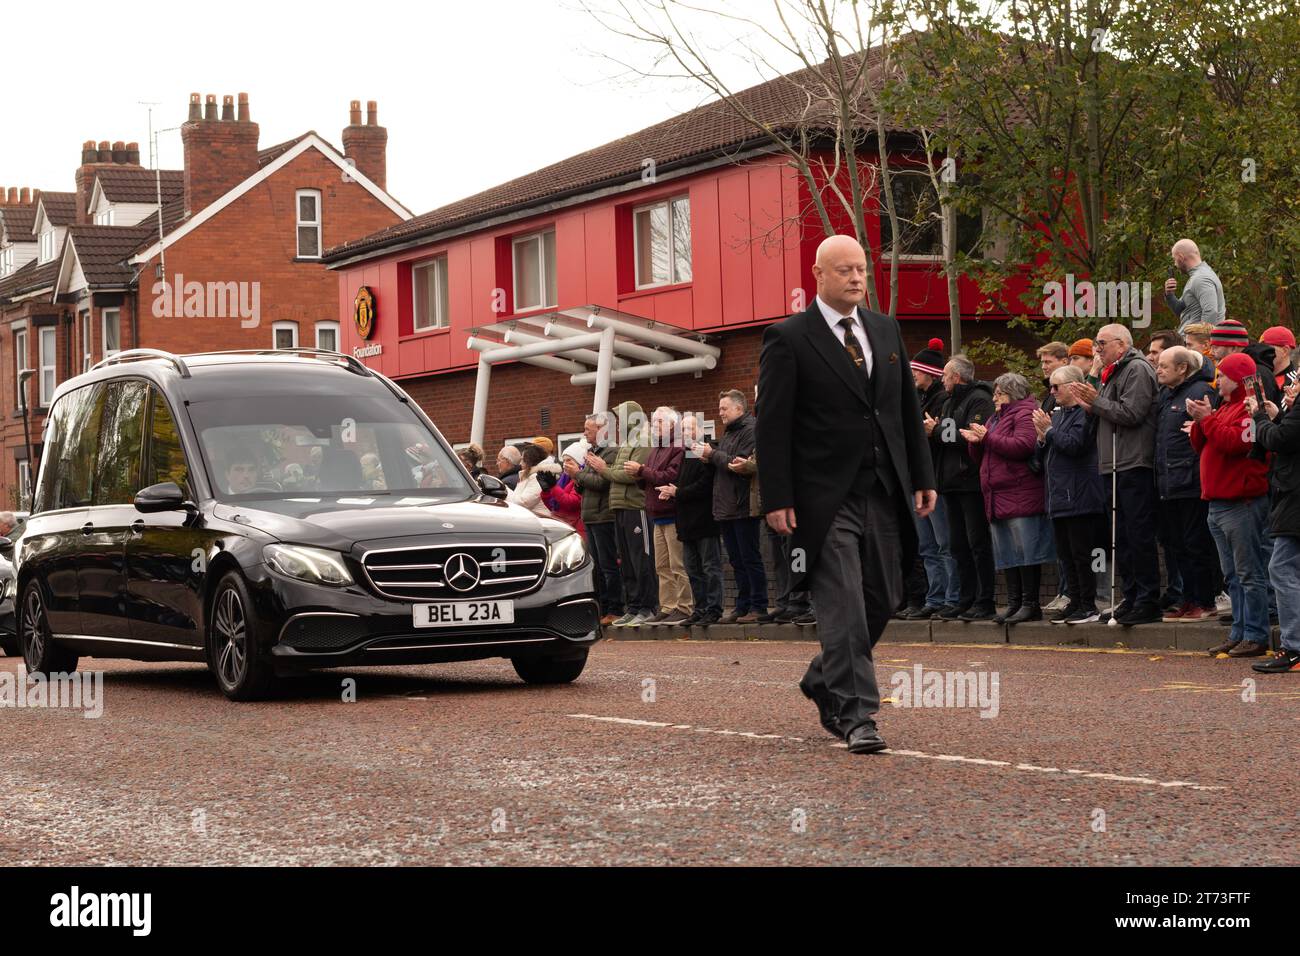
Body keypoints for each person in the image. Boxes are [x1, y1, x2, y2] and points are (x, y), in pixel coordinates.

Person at [757, 234, 936, 755]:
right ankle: (857, 714)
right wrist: (777, 496)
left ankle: (822, 677)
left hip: (882, 489)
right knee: (844, 605)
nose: (857, 278)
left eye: (861, 270)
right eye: (845, 271)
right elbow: (773, 426)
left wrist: (922, 477)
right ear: (818, 274)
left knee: (886, 596)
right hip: (821, 498)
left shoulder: (885, 329)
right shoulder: (788, 337)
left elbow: (904, 411)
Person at [1063, 324, 1160, 625]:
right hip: (1113, 464)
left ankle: (1147, 599)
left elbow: (1132, 413)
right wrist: (1091, 407)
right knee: (1122, 538)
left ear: (1121, 344)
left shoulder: (1137, 370)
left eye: (1101, 343)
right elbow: (1109, 411)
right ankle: (1131, 597)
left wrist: (1096, 402)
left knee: (1138, 534)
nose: (1097, 349)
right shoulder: (1113, 371)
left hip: (1132, 462)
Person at [1187, 352, 1272, 657]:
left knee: (1249, 574)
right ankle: (1239, 631)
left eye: (1222, 374)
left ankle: (1256, 634)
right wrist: (1202, 421)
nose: (1217, 379)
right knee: (1233, 576)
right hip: (1219, 503)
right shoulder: (1224, 407)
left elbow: (1237, 444)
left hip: (1242, 503)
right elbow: (1203, 445)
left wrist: (1206, 420)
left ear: (1237, 378)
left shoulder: (1250, 408)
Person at [962, 373, 1052, 624]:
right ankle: (1014, 603)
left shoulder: (1025, 413)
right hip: (998, 494)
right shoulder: (995, 417)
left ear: (1012, 393)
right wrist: (976, 442)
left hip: (1020, 491)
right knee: (1007, 552)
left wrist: (987, 437)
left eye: (998, 393)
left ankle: (1030, 604)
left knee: (1026, 551)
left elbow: (1023, 445)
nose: (994, 398)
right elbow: (983, 457)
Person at [1033, 365, 1106, 623]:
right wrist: (1042, 438)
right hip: (1058, 496)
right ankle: (1074, 600)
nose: (1051, 392)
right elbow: (1041, 458)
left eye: (1056, 387)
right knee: (1065, 555)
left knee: (1080, 554)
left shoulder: (1084, 414)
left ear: (1074, 386)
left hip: (1079, 495)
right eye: (1049, 387)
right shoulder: (1059, 413)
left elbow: (1075, 445)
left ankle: (1088, 603)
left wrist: (1050, 431)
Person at [1152, 346, 1219, 622]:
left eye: (1165, 366)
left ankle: (1204, 601)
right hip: (1168, 483)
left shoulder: (1200, 391)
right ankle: (1187, 600)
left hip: (1190, 482)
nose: (1158, 369)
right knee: (1177, 545)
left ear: (1182, 368)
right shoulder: (1167, 395)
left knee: (1195, 544)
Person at [932, 355, 997, 620]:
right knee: (957, 545)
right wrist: (938, 430)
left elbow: (968, 438)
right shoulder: (948, 402)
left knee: (977, 543)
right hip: (949, 483)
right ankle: (965, 598)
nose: (942, 380)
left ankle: (985, 600)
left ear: (957, 376)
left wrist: (935, 431)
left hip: (970, 482)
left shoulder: (980, 399)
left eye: (945, 375)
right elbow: (949, 435)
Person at [697, 389, 767, 624]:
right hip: (725, 506)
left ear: (739, 408)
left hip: (743, 505)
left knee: (750, 558)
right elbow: (723, 463)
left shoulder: (750, 430)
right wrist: (709, 458)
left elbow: (739, 464)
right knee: (736, 561)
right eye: (719, 409)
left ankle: (759, 606)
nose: (720, 413)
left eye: (724, 408)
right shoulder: (728, 433)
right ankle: (742, 605)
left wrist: (713, 454)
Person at [1246, 379, 1300, 672]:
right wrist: (1280, 417)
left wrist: (1259, 418)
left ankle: (1294, 648)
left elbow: (1280, 441)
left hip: (1295, 497)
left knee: (1281, 567)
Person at [906, 337, 960, 619]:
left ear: (929, 372)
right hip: (919, 480)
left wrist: (932, 432)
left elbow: (948, 437)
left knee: (944, 543)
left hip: (937, 480)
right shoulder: (919, 398)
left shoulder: (943, 400)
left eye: (916, 370)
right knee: (927, 545)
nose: (912, 374)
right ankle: (935, 597)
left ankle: (951, 597)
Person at [594, 400, 658, 627]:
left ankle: (648, 606)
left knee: (641, 558)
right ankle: (633, 607)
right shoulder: (629, 441)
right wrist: (610, 471)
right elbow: (621, 472)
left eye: (621, 418)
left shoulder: (643, 439)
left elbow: (633, 475)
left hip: (636, 507)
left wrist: (604, 470)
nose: (618, 424)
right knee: (628, 561)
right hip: (621, 507)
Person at [656, 414, 724, 626]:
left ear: (700, 430)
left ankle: (713, 609)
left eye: (689, 429)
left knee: (710, 568)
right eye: (682, 429)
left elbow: (705, 484)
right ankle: (700, 608)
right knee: (693, 569)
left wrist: (678, 493)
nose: (685, 433)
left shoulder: (706, 452)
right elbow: (680, 482)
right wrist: (670, 491)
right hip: (685, 522)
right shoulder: (685, 454)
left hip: (704, 521)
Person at [633, 407, 692, 626]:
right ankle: (668, 606)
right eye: (653, 421)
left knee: (677, 564)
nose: (653, 425)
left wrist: (642, 471)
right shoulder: (655, 449)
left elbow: (670, 477)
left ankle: (684, 606)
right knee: (661, 566)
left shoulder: (678, 447)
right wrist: (639, 474)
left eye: (658, 421)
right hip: (656, 513)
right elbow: (649, 479)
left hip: (672, 513)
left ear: (671, 425)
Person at [573, 412, 624, 625]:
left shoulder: (611, 452)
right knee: (597, 566)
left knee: (608, 565)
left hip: (604, 516)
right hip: (591, 515)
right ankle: (602, 607)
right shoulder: (592, 452)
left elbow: (602, 483)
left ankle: (615, 608)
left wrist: (578, 474)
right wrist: (578, 477)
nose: (584, 433)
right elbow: (583, 486)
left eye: (588, 429)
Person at [1211, 318, 1281, 405]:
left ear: (1233, 348)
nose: (1211, 352)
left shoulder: (1255, 374)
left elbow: (1259, 413)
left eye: (1216, 348)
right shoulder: (1232, 371)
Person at [1163, 238, 1225, 333]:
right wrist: (1170, 294)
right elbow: (1180, 310)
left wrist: (1199, 343)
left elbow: (1211, 312)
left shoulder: (1201, 278)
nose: (1175, 264)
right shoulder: (1197, 277)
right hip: (1191, 343)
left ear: (1180, 257)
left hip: (1196, 344)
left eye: (1174, 259)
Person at [542, 442, 587, 540]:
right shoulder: (565, 479)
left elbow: (572, 502)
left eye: (569, 460)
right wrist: (545, 492)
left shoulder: (581, 479)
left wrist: (553, 487)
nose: (565, 464)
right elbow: (553, 506)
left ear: (579, 463)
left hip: (577, 529)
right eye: (564, 460)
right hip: (565, 526)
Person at [505, 444, 558, 519]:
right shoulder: (528, 476)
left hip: (540, 522)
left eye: (523, 460)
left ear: (530, 461)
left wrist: (505, 491)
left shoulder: (537, 477)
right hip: (532, 520)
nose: (520, 463)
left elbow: (523, 503)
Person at [1260, 326, 1298, 394]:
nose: (1261, 353)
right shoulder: (1261, 378)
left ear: (1284, 351)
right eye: (1261, 348)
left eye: (1267, 349)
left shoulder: (1296, 383)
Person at [1036, 342, 1069, 414]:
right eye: (1042, 362)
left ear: (1064, 362)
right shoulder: (1050, 389)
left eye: (1048, 362)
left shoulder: (1069, 390)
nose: (1043, 367)